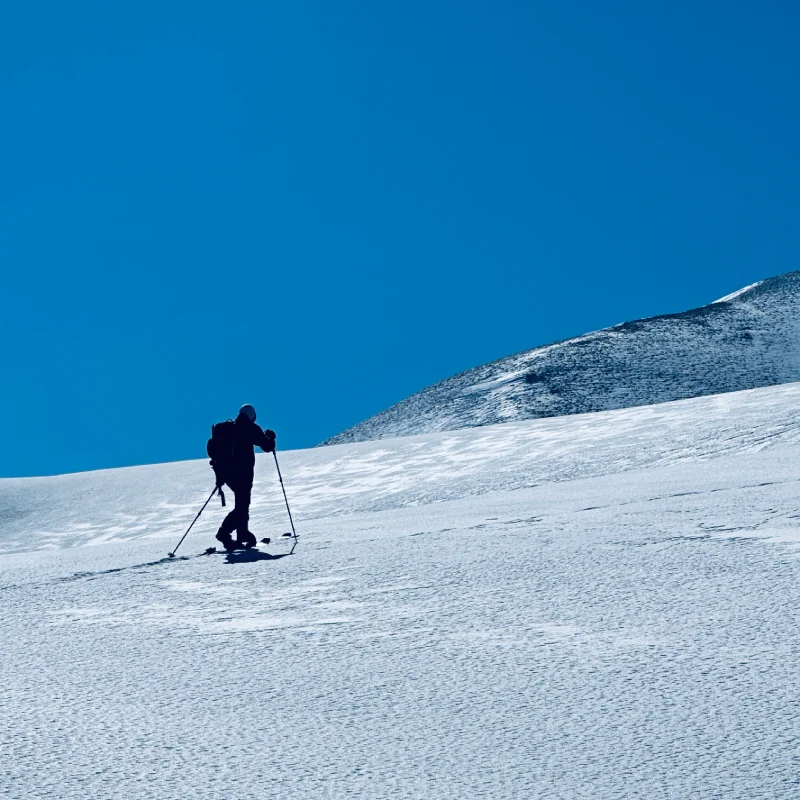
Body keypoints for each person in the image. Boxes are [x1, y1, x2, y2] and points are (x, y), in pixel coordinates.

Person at [212, 404, 276, 552]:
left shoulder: (227, 428)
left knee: (242, 504)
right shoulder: (249, 427)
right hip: (243, 473)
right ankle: (224, 533)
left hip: (226, 474)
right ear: (252, 415)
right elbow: (267, 446)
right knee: (242, 505)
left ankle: (242, 534)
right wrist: (271, 437)